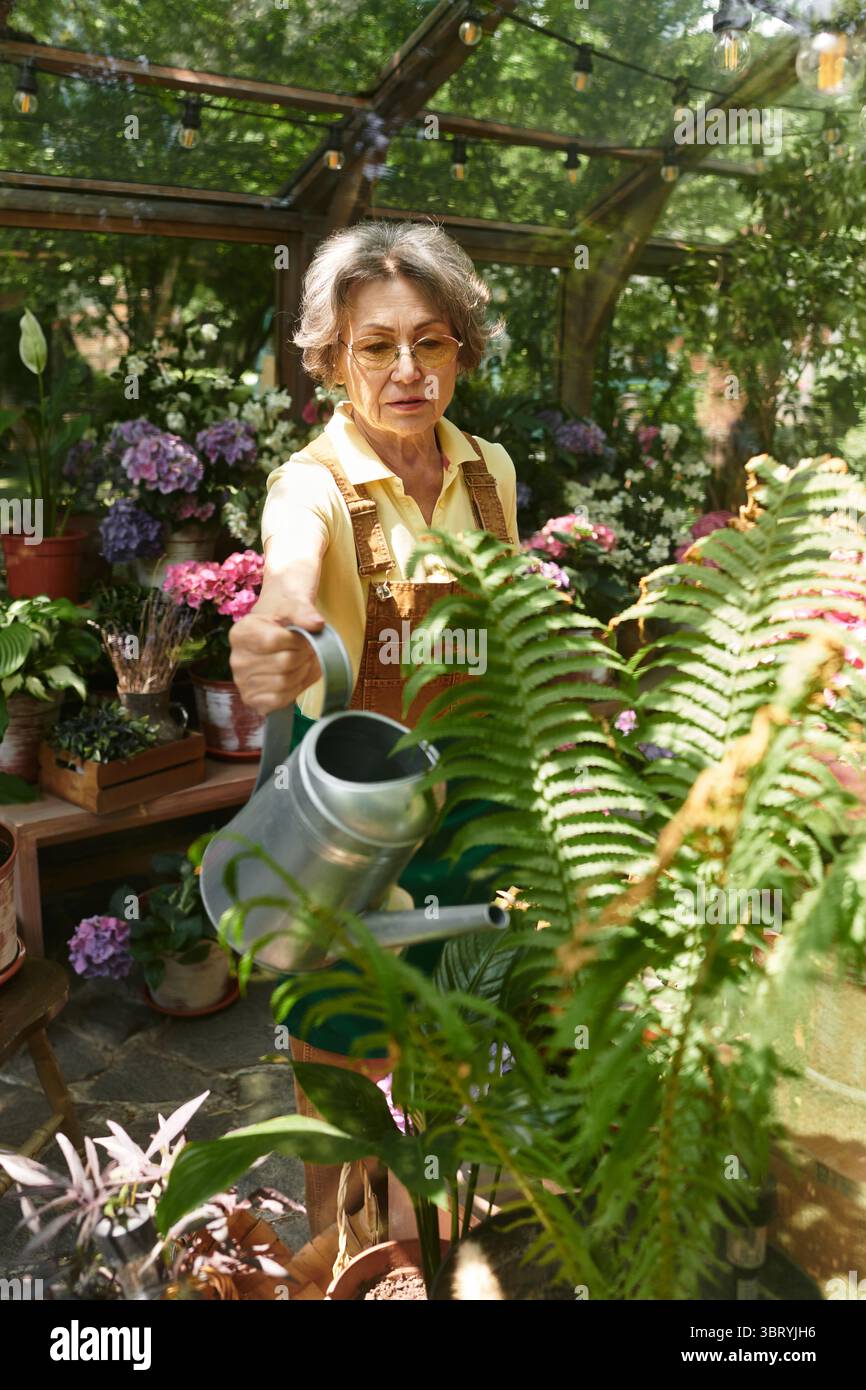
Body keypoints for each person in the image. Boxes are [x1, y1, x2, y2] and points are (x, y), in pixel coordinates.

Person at [229, 219, 519, 1235]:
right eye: (374, 345)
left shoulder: (489, 472)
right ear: (329, 360)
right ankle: (334, 1248)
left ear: (459, 352)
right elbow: (289, 577)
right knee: (343, 1046)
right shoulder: (313, 484)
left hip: (465, 807)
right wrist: (277, 629)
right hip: (344, 821)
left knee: (441, 1035)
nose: (406, 369)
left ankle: (414, 1242)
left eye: (430, 341)